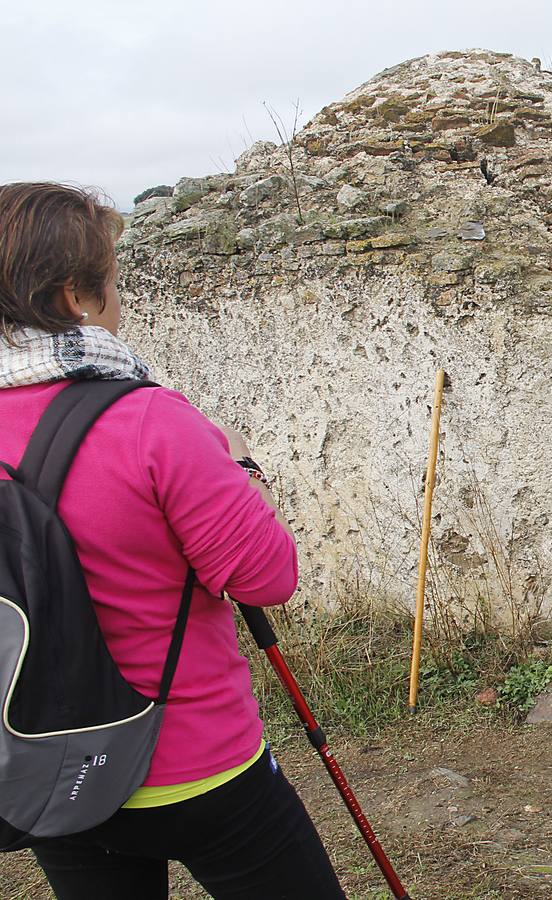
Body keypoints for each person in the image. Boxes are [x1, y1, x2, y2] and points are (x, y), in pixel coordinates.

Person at [0, 183, 345, 899]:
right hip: (195, 761)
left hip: (52, 766)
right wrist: (240, 465)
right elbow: (267, 578)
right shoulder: (150, 419)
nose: (121, 301)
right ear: (75, 297)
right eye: (113, 283)